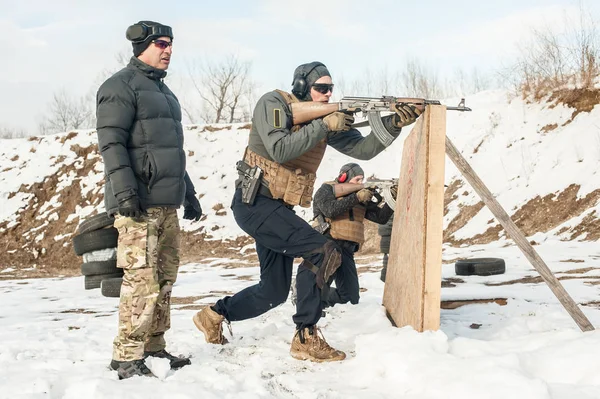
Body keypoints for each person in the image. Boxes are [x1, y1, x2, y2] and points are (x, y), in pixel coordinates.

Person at [192, 61, 420, 362]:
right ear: (302, 87)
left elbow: (363, 150)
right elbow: (279, 150)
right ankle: (305, 336)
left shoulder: (325, 119)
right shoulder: (273, 103)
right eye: (321, 89)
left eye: (331, 89)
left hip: (277, 209)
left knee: (272, 292)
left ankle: (213, 314)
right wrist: (324, 124)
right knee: (324, 251)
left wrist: (393, 124)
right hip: (254, 202)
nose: (327, 95)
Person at [96, 20, 203, 380]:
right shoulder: (120, 87)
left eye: (171, 43)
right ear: (141, 45)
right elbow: (111, 144)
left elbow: (170, 151)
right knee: (141, 280)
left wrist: (187, 192)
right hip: (137, 203)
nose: (168, 49)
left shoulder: (165, 93)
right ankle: (126, 356)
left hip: (166, 202)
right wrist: (124, 191)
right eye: (161, 43)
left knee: (165, 277)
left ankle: (154, 346)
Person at [312, 163, 394, 307]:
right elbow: (330, 210)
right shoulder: (327, 190)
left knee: (350, 297)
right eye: (357, 179)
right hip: (328, 245)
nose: (360, 183)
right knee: (317, 287)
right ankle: (310, 300)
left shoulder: (359, 196)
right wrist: (357, 197)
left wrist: (392, 197)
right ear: (344, 177)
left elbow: (381, 218)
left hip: (347, 250)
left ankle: (319, 299)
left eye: (362, 179)